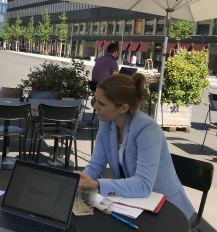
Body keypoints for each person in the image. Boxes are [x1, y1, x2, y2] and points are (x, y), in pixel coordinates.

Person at [75, 73, 195, 220]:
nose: (94, 107)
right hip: (134, 203)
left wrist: (96, 184)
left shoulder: (147, 130)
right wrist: (79, 181)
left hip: (167, 209)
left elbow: (143, 185)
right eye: (95, 100)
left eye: (102, 103)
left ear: (123, 108)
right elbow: (95, 166)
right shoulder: (106, 123)